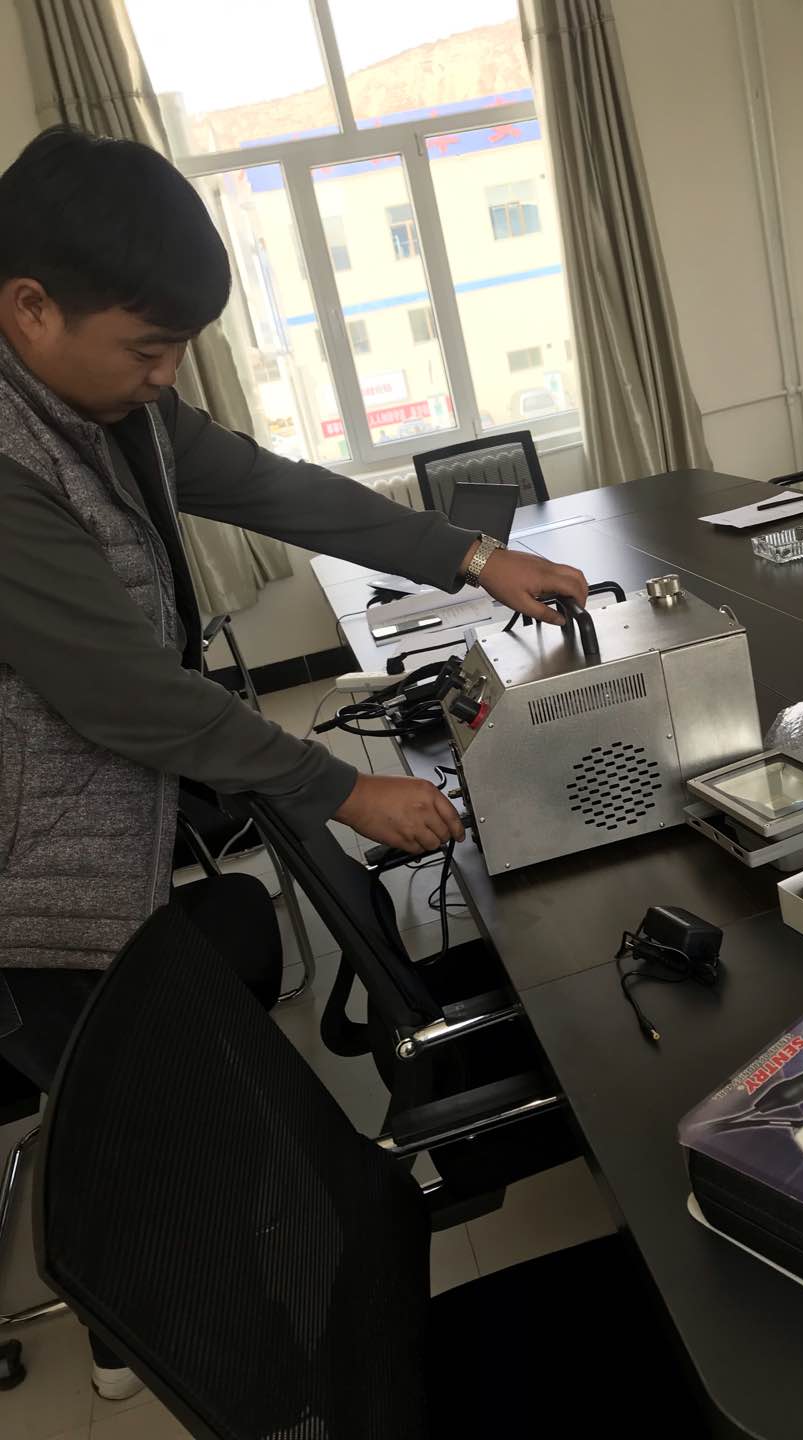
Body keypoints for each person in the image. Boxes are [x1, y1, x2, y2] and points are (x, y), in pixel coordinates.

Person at [0, 126, 587, 1398]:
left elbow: (279, 489)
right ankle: (186, 1354)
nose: (165, 375)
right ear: (31, 307)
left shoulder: (113, 406)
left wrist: (477, 558)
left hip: (101, 824)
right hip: (28, 876)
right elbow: (128, 697)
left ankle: (226, 1308)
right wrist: (343, 788)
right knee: (133, 1124)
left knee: (173, 1098)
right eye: (146, 349)